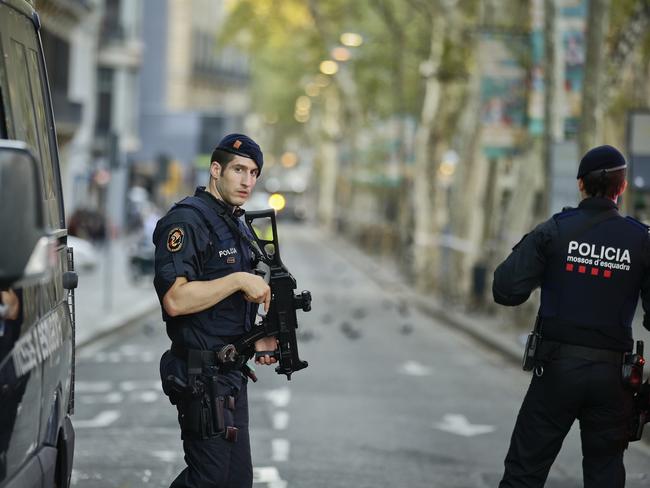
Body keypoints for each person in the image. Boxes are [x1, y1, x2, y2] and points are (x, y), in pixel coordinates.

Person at [492, 144, 650, 488]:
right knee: (606, 473)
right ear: (621, 188)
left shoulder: (555, 230)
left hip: (556, 372)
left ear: (580, 185)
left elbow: (505, 290)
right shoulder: (642, 240)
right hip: (614, 379)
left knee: (524, 471)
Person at [153, 133, 278, 488]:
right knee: (208, 481)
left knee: (236, 481)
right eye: (238, 169)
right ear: (215, 169)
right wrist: (238, 279)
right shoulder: (188, 221)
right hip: (201, 376)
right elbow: (176, 300)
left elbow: (226, 309)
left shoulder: (234, 223)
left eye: (254, 173)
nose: (247, 181)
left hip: (230, 372)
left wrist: (260, 337)